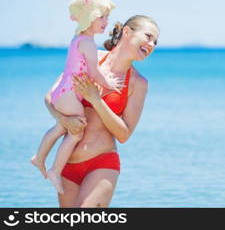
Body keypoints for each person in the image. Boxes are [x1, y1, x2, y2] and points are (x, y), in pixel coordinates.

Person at [44, 15, 159, 207]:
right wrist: (62, 120)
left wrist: (96, 100)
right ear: (127, 32)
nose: (152, 44)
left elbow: (124, 134)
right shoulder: (90, 56)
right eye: (148, 36)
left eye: (155, 41)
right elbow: (50, 97)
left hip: (101, 164)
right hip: (67, 165)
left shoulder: (138, 83)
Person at [31, 0, 124, 194]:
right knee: (76, 131)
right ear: (89, 17)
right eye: (102, 16)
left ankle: (39, 158)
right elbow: (94, 71)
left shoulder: (78, 39)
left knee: (61, 127)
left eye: (107, 16)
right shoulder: (87, 43)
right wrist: (110, 85)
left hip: (64, 92)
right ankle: (55, 170)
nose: (106, 21)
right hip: (69, 94)